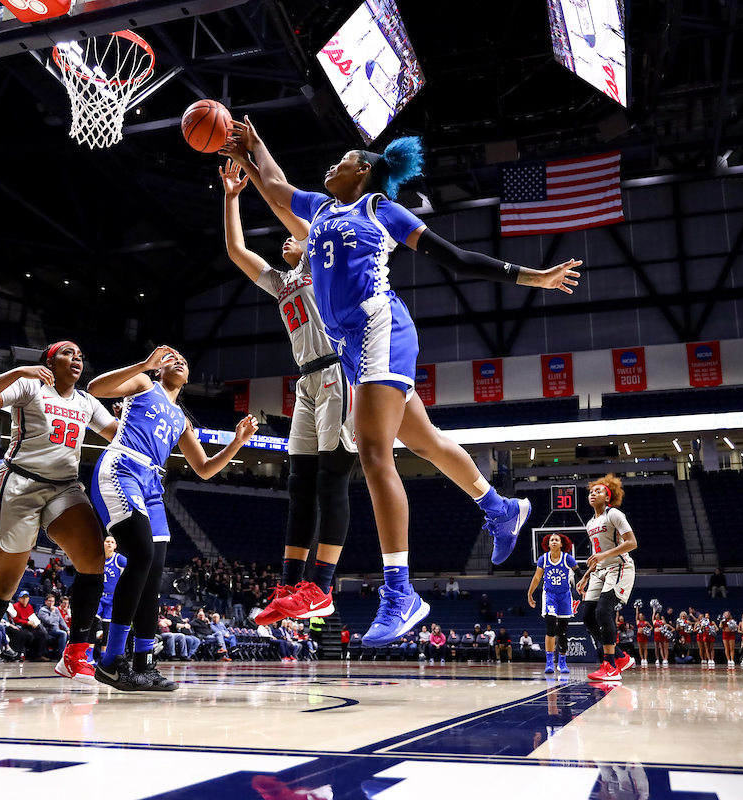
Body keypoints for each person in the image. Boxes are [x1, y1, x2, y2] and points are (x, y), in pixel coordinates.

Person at [222, 119, 580, 648]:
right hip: (350, 347)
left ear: (363, 171)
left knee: (371, 449)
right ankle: (501, 509)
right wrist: (254, 146)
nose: (330, 167)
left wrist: (533, 276)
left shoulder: (377, 210)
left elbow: (455, 258)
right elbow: (273, 187)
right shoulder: (320, 211)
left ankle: (400, 592)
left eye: (341, 160)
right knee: (426, 441)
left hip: (380, 327)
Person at [222, 160, 356, 627]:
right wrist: (232, 196)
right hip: (305, 382)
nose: (286, 240)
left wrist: (265, 179)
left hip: (340, 374)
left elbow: (298, 221)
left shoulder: (324, 268)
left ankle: (322, 586)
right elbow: (237, 251)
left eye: (296, 237)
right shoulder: (282, 284)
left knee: (328, 482)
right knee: (298, 485)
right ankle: (291, 583)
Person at [87, 346, 258, 691]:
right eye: (171, 359)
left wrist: (238, 443)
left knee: (153, 575)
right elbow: (94, 389)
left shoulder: (181, 419)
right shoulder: (142, 384)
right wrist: (144, 364)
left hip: (152, 485)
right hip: (123, 467)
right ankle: (110, 660)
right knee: (142, 556)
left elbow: (205, 469)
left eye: (184, 360)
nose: (178, 361)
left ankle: (145, 664)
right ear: (158, 370)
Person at [0, 341, 118, 690]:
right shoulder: (30, 384)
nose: (76, 358)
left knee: (93, 559)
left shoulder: (87, 401)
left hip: (65, 486)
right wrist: (17, 371)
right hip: (20, 483)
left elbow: (117, 435)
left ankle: (76, 653)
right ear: (48, 360)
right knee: (6, 581)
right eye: (67, 353)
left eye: (80, 354)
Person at [577, 475, 638, 683]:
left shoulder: (614, 514)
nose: (593, 494)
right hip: (599, 571)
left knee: (603, 610)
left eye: (598, 491)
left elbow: (632, 543)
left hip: (619, 567)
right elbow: (597, 554)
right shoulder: (590, 523)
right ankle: (620, 656)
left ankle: (610, 665)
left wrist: (605, 555)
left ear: (608, 496)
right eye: (591, 491)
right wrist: (585, 577)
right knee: (587, 616)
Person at [526, 533, 579, 674]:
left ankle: (562, 662)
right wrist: (530, 593)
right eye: (552, 540)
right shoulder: (543, 559)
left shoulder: (567, 558)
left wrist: (584, 588)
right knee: (550, 628)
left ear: (562, 544)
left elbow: (579, 573)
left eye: (557, 540)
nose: (554, 542)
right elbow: (537, 577)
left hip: (565, 596)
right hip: (550, 595)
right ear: (547, 544)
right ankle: (549, 662)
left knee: (563, 631)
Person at [94, 534, 126, 662]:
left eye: (112, 542)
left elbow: (131, 573)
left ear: (115, 546)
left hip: (112, 598)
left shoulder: (119, 559)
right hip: (99, 596)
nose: (109, 544)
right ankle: (89, 654)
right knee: (92, 623)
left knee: (107, 628)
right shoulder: (99, 558)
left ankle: (104, 655)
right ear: (103, 544)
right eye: (107, 541)